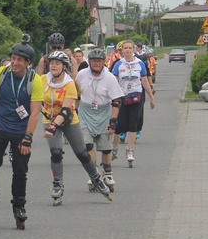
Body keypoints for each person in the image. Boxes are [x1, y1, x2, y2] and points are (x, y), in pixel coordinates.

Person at [0, 35, 43, 229]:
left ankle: (19, 205)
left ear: (28, 63)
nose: (14, 62)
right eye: (13, 58)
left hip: (21, 130)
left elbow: (35, 111)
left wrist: (28, 137)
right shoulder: (2, 73)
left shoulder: (34, 80)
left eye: (19, 60)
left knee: (20, 170)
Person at [41, 51, 112, 205]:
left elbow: (66, 110)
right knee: (56, 153)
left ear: (64, 66)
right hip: (49, 120)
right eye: (51, 62)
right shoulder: (42, 80)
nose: (53, 65)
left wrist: (53, 127)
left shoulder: (69, 83)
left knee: (82, 153)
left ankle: (96, 178)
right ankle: (57, 184)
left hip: (68, 121)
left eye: (57, 63)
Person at [75, 48, 124, 192]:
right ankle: (94, 173)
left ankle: (107, 173)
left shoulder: (109, 78)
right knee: (88, 145)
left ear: (104, 62)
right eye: (94, 61)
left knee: (105, 147)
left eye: (99, 61)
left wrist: (113, 120)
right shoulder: (82, 75)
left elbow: (116, 101)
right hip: (85, 112)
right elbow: (76, 95)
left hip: (104, 113)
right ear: (89, 62)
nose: (96, 63)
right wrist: (75, 112)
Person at [111, 40, 156, 166]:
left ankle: (130, 150)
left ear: (134, 49)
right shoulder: (117, 64)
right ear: (122, 50)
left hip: (137, 96)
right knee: (118, 125)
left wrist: (151, 97)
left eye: (130, 48)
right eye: (125, 48)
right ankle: (114, 148)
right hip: (122, 97)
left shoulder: (140, 64)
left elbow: (145, 82)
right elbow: (112, 82)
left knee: (133, 123)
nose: (127, 50)